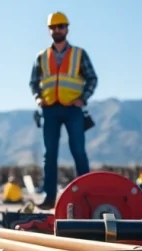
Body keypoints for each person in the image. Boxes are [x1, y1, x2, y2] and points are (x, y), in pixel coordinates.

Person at [29, 11, 99, 210]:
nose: (57, 30)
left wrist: (82, 99)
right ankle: (49, 197)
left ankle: (87, 196)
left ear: (67, 28)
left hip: (72, 110)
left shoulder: (79, 54)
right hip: (49, 110)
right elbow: (33, 82)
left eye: (61, 26)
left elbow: (92, 78)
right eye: (53, 27)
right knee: (49, 154)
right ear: (49, 30)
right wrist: (38, 98)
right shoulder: (41, 57)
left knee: (78, 152)